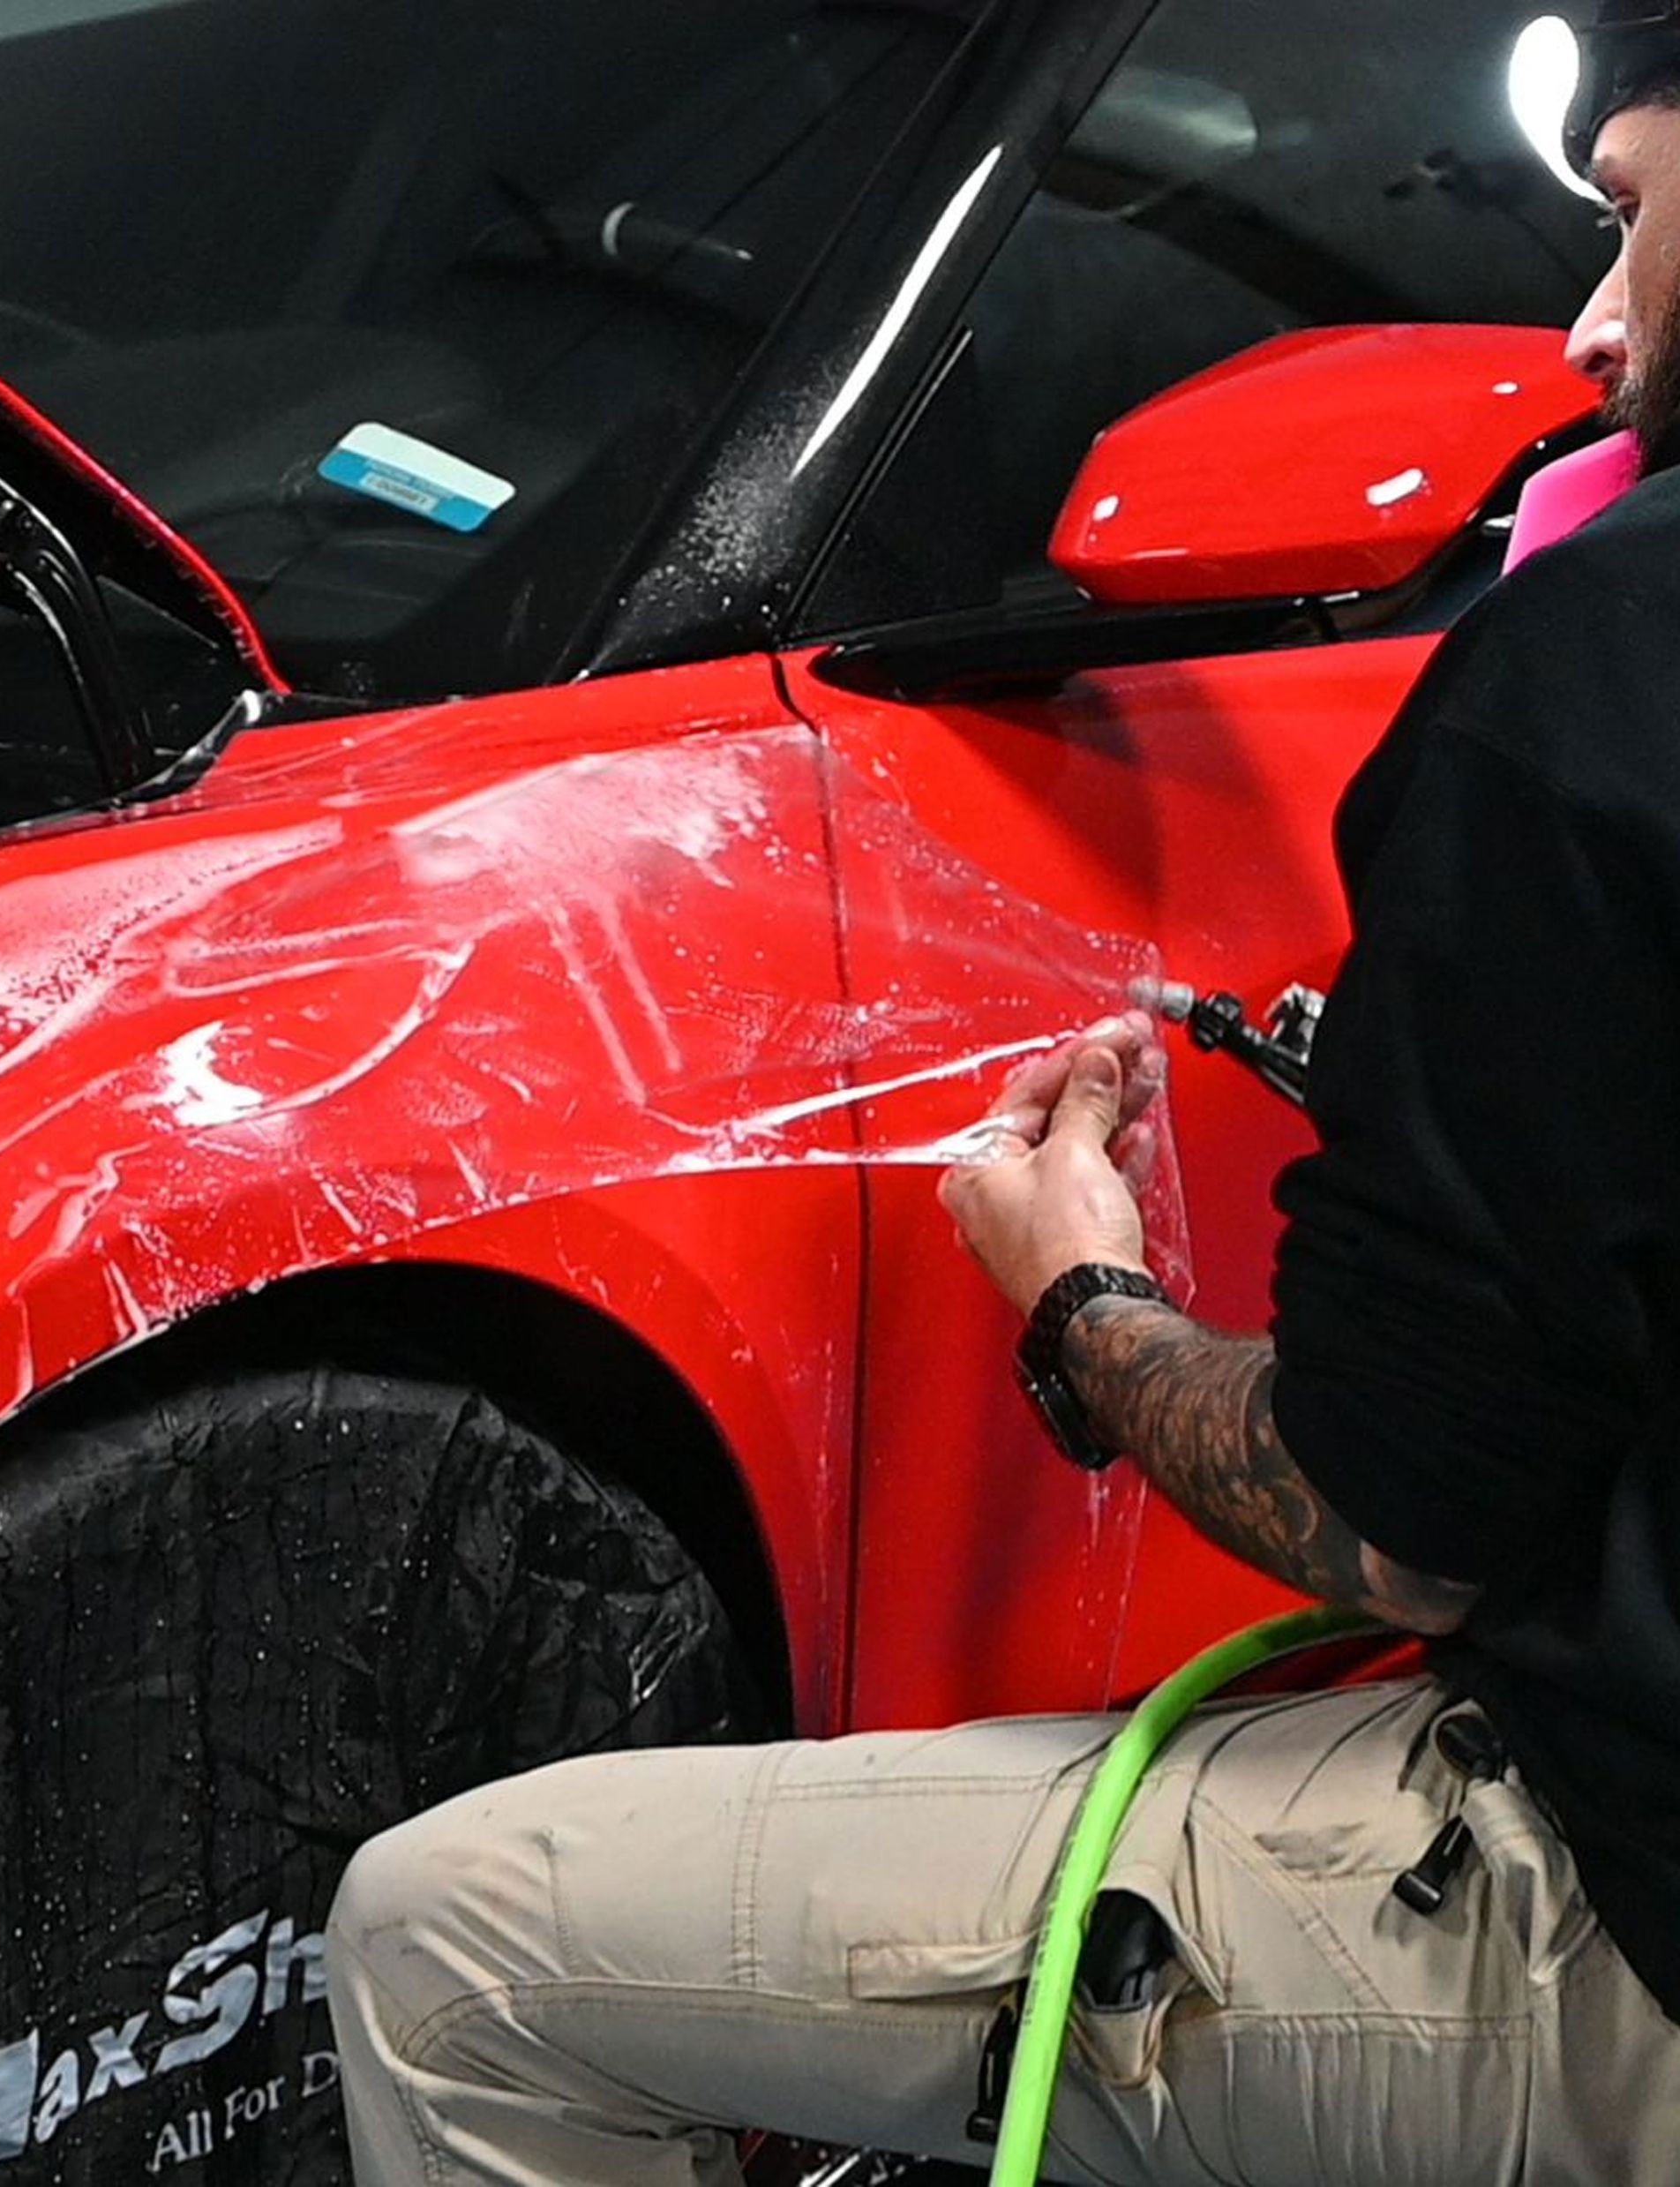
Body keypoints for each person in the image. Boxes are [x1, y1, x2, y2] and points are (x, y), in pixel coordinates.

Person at [323, 7, 1680, 2179]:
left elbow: (1407, 1536)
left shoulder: (1601, 671)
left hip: (1629, 1943)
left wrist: (1080, 1297)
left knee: (452, 1950)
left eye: (1622, 214)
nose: (1591, 331)